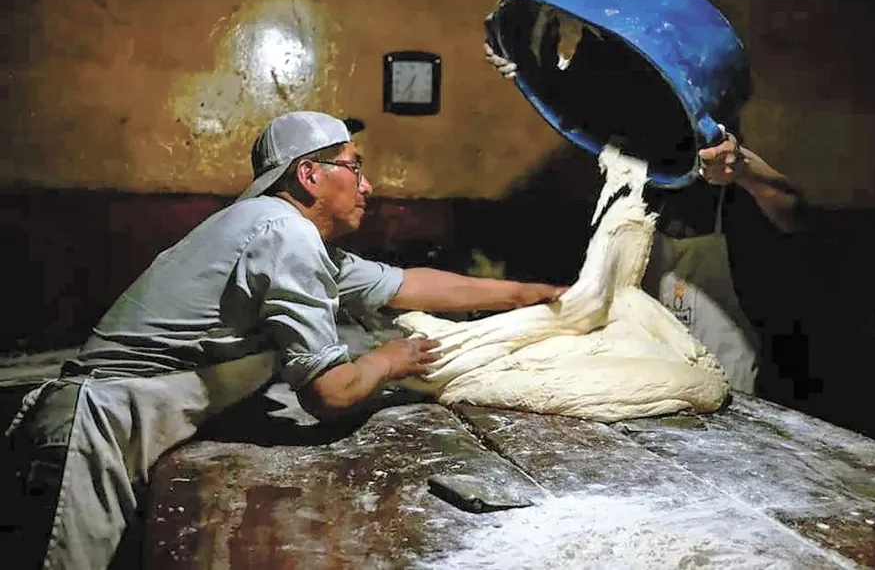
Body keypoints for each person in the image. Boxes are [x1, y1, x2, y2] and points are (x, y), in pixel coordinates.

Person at [4, 110, 567, 570]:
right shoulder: (283, 235)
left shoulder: (285, 236)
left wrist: (532, 292)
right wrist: (389, 360)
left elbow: (409, 284)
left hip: (118, 432)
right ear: (309, 175)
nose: (368, 185)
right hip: (93, 434)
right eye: (354, 167)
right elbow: (330, 393)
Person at [484, 36, 802, 395]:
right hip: (638, 363)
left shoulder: (725, 178)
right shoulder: (613, 179)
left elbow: (791, 209)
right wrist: (532, 74)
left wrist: (742, 170)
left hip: (724, 370)